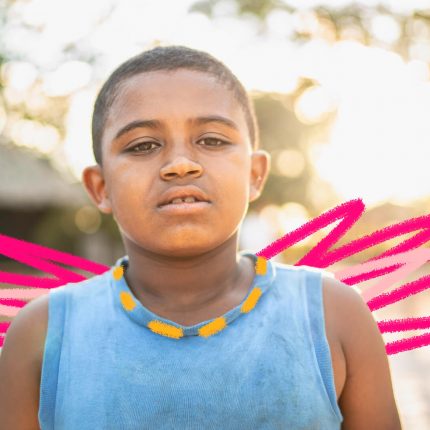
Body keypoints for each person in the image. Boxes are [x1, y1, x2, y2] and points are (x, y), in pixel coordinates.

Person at [0, 46, 402, 429]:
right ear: (100, 186)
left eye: (211, 140)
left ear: (254, 174)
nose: (180, 165)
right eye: (143, 145)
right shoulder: (44, 334)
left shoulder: (333, 315)